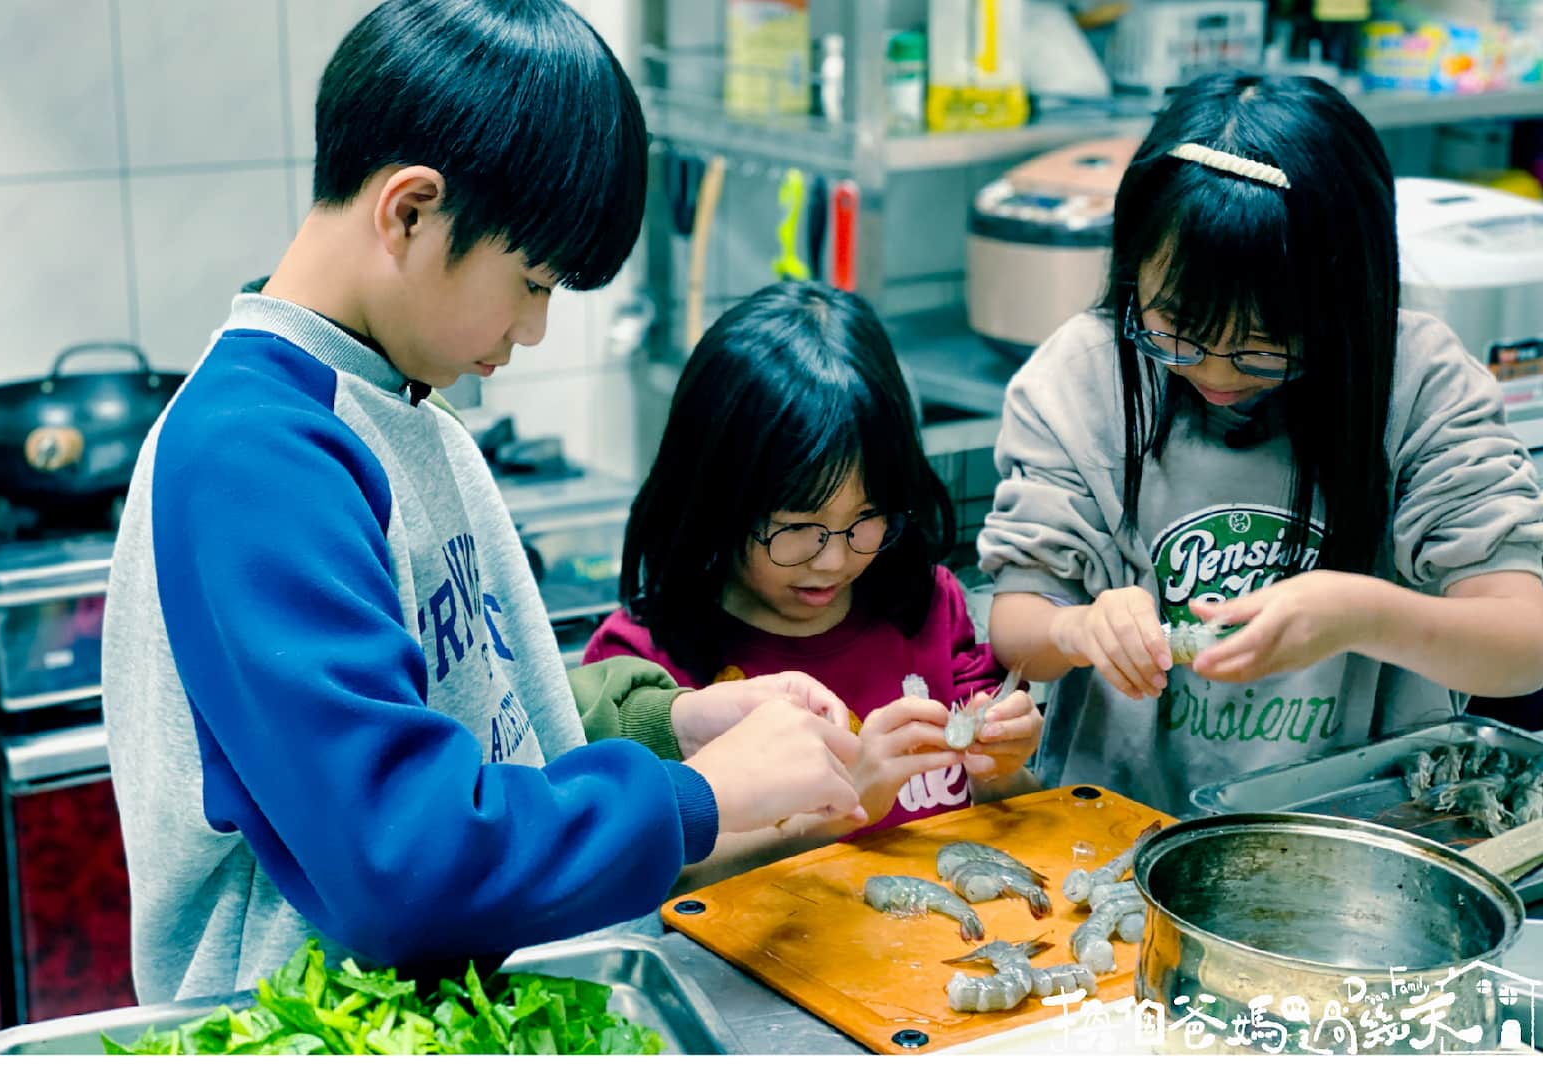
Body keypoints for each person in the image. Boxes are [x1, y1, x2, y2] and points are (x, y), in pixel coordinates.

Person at [100, 0, 864, 1005]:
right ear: (410, 210)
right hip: (328, 1029)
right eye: (533, 282)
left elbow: (478, 728)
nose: (534, 330)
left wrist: (672, 727)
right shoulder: (258, 455)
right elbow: (403, 861)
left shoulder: (402, 411)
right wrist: (698, 799)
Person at [980, 71, 1543, 815]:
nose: (1214, 371)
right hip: (1118, 828)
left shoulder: (1419, 382)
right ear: (1131, 269)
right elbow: (1017, 625)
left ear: (1350, 305)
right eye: (1177, 326)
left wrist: (1361, 614)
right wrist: (1077, 626)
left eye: (1264, 345)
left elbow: (1523, 640)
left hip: (1359, 832)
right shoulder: (1081, 380)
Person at [585, 282, 1042, 878]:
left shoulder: (926, 606)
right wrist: (840, 810)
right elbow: (649, 882)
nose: (831, 561)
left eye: (865, 519)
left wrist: (1006, 761)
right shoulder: (644, 671)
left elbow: (1009, 813)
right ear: (714, 500)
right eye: (798, 527)